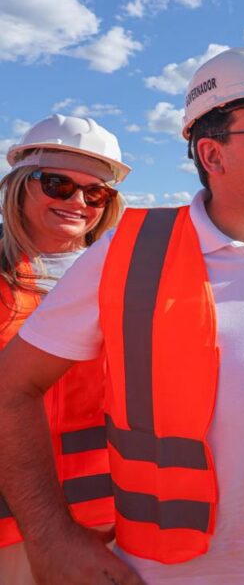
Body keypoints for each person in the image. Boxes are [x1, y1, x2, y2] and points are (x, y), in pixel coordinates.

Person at [0, 47, 244, 584]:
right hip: (176, 569)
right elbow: (12, 389)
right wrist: (50, 535)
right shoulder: (128, 256)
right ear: (211, 156)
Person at [0, 114, 131, 584]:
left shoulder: (125, 275)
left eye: (95, 192)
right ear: (20, 185)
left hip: (115, 518)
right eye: (57, 184)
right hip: (15, 526)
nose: (77, 201)